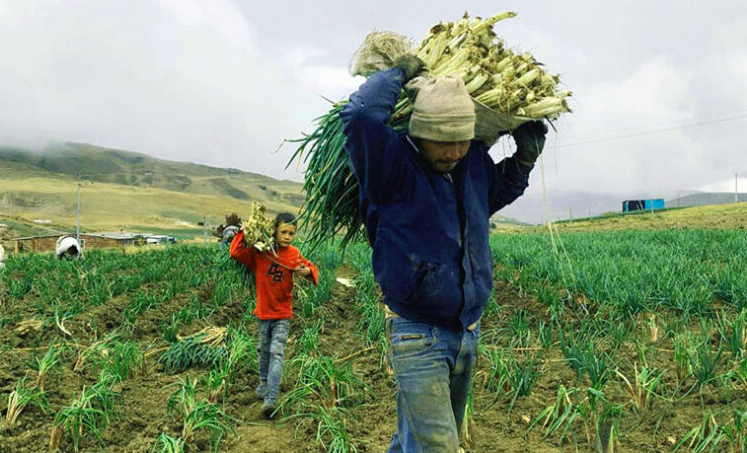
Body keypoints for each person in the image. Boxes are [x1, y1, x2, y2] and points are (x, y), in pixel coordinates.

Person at [341, 55, 547, 453]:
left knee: (412, 442)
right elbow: (362, 116)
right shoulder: (391, 168)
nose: (454, 151)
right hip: (417, 333)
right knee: (437, 447)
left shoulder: (472, 163)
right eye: (443, 141)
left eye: (462, 140)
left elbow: (492, 195)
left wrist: (524, 159)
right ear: (419, 133)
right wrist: (399, 73)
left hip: (467, 330)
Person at [229, 213, 319, 417]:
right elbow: (235, 252)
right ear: (274, 232)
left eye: (292, 233)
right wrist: (244, 231)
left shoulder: (294, 254)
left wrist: (306, 272)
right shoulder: (261, 253)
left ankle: (271, 397)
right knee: (263, 349)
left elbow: (311, 268)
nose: (288, 236)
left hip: (282, 314)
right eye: (283, 232)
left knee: (277, 352)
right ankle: (262, 383)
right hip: (263, 312)